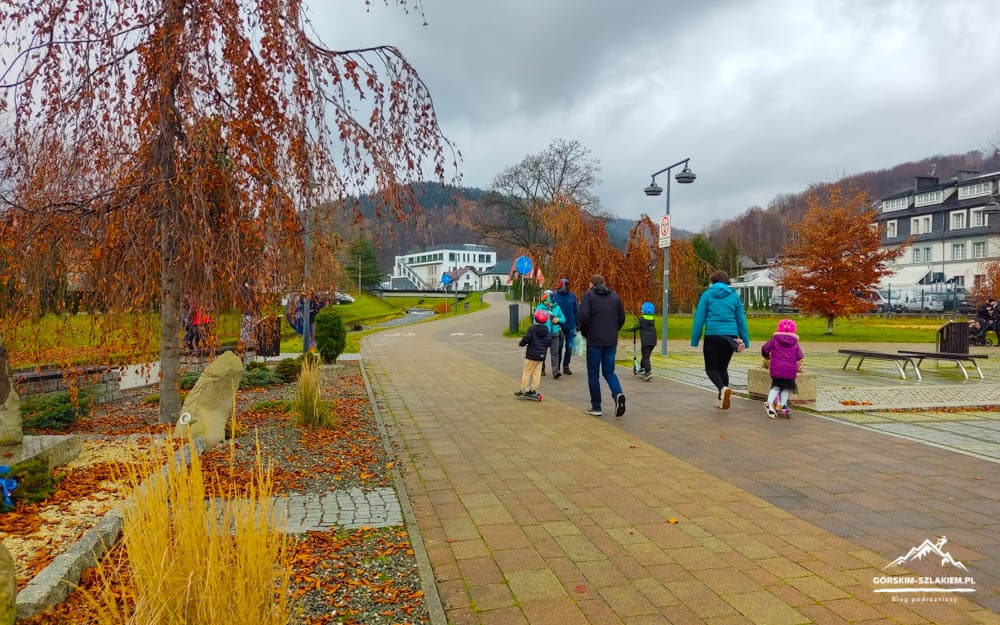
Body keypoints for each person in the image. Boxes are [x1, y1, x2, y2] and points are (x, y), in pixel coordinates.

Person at [690, 271, 749, 409]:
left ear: (713, 281)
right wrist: (745, 340)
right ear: (727, 282)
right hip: (730, 337)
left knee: (711, 369)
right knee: (723, 369)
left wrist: (695, 339)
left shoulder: (707, 295)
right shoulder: (734, 296)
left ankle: (723, 389)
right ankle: (721, 399)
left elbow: (699, 318)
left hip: (713, 336)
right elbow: (741, 319)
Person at [578, 274, 626, 417]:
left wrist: (586, 332)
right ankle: (618, 393)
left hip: (594, 340)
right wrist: (613, 330)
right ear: (604, 283)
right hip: (610, 341)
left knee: (593, 372)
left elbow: (584, 317)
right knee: (609, 371)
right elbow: (621, 317)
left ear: (591, 284)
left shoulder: (589, 296)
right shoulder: (615, 297)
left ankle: (596, 406)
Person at [760, 318, 803, 419]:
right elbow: (799, 356)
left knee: (776, 386)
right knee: (786, 388)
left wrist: (766, 356)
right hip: (789, 370)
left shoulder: (775, 339)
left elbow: (765, 348)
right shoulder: (795, 342)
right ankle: (783, 406)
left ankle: (769, 402)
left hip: (777, 368)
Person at [516, 309, 552, 398]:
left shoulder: (532, 328)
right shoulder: (546, 330)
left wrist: (521, 343)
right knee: (537, 373)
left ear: (535, 319)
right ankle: (533, 389)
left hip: (531, 356)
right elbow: (549, 342)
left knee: (527, 372)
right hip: (541, 356)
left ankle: (522, 389)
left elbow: (526, 338)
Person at [535, 290, 566, 378]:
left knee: (555, 353)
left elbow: (563, 319)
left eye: (546, 296)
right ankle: (542, 369)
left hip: (555, 333)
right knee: (542, 352)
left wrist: (558, 319)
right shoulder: (540, 307)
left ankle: (555, 372)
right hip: (544, 334)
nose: (544, 298)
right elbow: (535, 320)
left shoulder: (557, 307)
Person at [552, 278, 578, 375]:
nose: (566, 287)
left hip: (571, 325)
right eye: (564, 285)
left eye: (567, 285)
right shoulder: (555, 296)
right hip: (559, 326)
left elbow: (576, 311)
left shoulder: (572, 296)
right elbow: (551, 311)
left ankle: (566, 366)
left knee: (569, 347)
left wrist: (578, 325)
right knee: (559, 347)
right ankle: (557, 367)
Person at [626, 302, 657, 381]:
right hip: (653, 341)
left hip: (646, 341)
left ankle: (648, 372)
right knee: (646, 355)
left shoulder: (641, 319)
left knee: (645, 356)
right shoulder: (652, 319)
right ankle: (642, 368)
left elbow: (636, 327)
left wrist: (629, 329)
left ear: (643, 310)